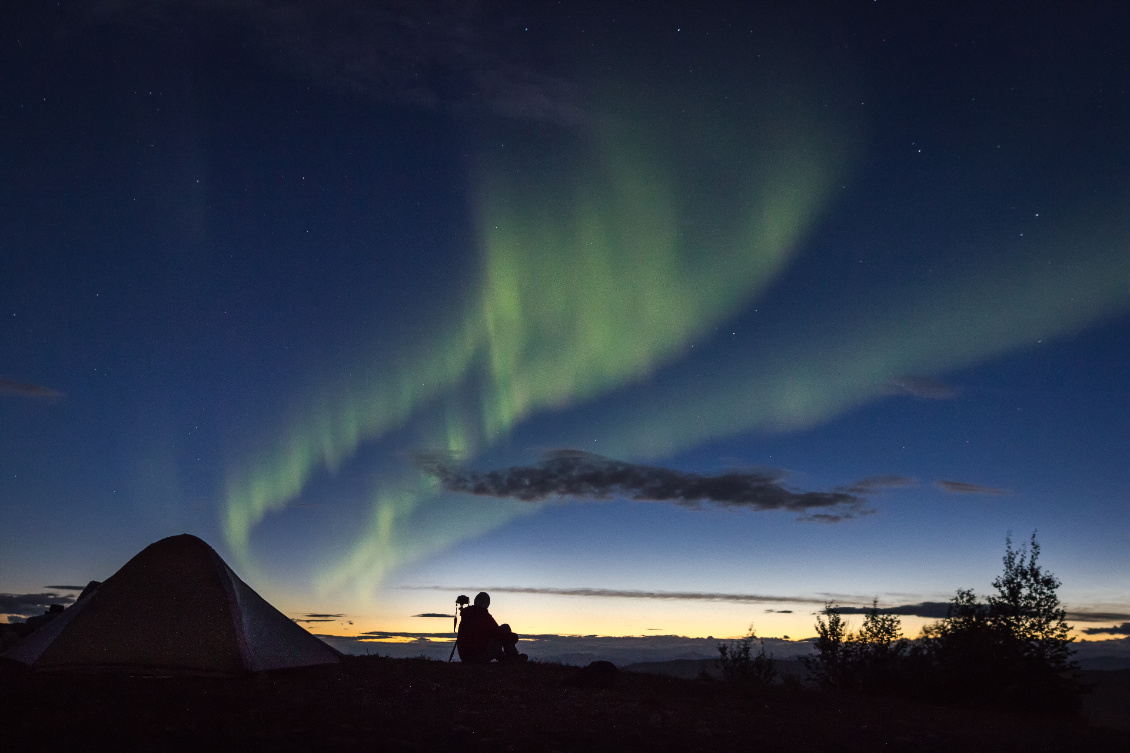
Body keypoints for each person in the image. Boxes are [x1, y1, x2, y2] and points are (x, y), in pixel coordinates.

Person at [456, 592, 527, 664]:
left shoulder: (467, 615)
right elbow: (498, 633)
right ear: (486, 603)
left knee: (498, 637)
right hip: (476, 657)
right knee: (504, 630)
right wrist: (513, 637)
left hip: (465, 657)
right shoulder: (483, 615)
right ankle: (513, 657)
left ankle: (509, 659)